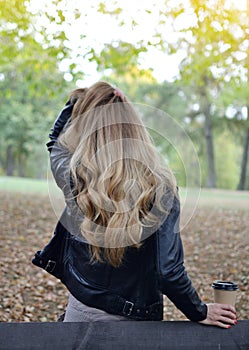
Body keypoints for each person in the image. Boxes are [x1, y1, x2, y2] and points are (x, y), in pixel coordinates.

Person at [46, 81, 236, 327]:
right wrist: (198, 311)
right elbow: (168, 271)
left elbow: (55, 142)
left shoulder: (78, 179)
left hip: (81, 312)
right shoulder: (161, 187)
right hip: (138, 324)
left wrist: (79, 103)